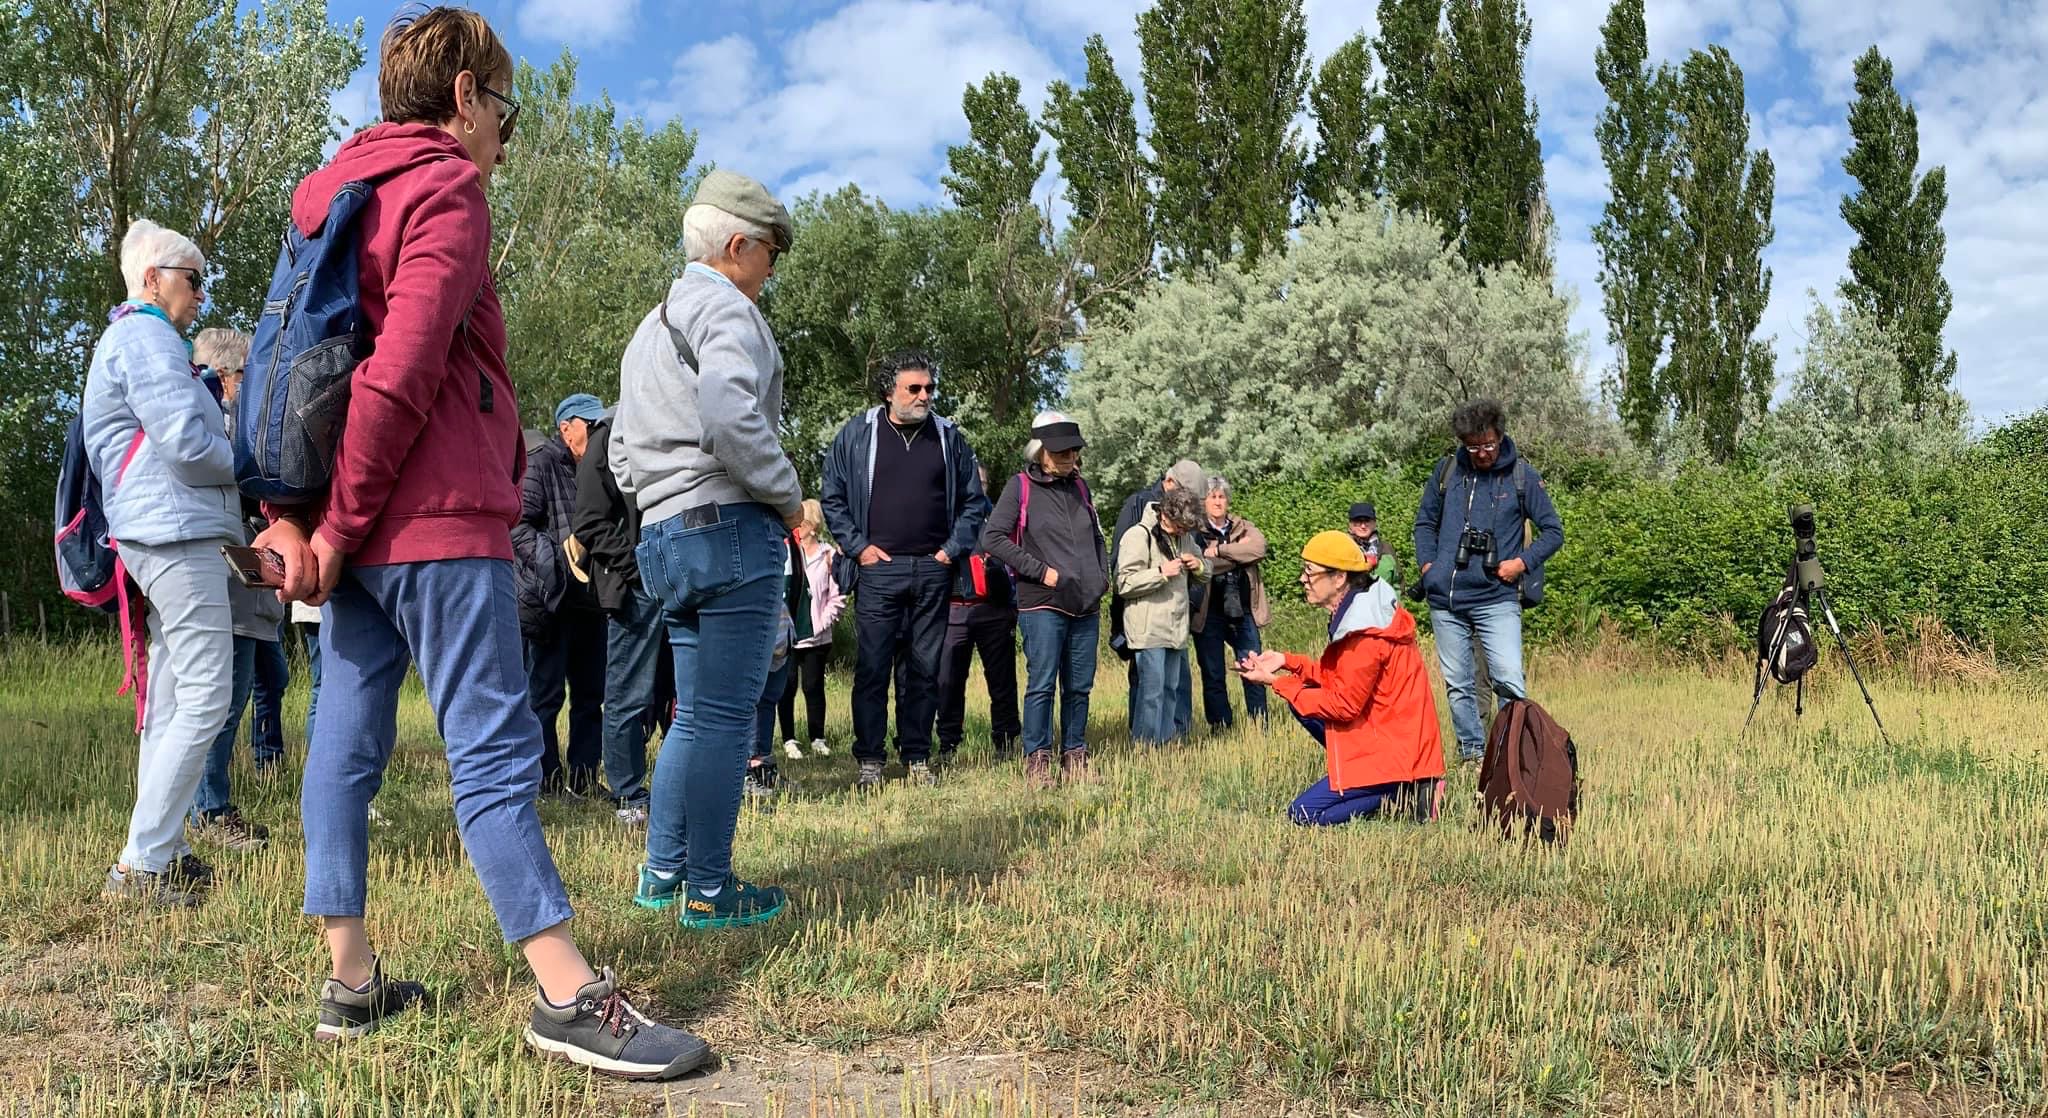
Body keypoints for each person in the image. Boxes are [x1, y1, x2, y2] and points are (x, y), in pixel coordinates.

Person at [253, 8, 711, 1076]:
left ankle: (351, 976)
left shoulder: (333, 194)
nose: (507, 133)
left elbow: (299, 369)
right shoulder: (443, 186)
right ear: (464, 96)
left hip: (355, 531)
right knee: (497, 752)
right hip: (433, 520)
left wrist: (317, 524)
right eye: (504, 107)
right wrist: (355, 518)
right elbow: (400, 374)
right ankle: (565, 992)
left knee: (344, 738)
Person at [612, 168, 801, 931]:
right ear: (735, 246)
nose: (772, 269)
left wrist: (663, 493)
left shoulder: (650, 325)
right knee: (725, 719)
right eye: (770, 252)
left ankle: (662, 874)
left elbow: (620, 453)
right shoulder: (726, 309)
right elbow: (730, 416)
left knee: (692, 716)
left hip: (662, 535)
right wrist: (786, 494)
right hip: (728, 529)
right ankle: (711, 891)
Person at [85, 219, 239, 907]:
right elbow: (186, 442)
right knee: (208, 692)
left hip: (159, 530)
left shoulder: (134, 338)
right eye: (192, 279)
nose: (201, 295)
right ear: (152, 280)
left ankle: (163, 848)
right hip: (175, 532)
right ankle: (144, 862)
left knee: (176, 697)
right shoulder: (147, 336)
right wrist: (251, 465)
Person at [821, 351, 987, 790]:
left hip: (934, 570)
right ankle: (870, 760)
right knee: (873, 667)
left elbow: (974, 503)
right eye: (914, 388)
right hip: (879, 571)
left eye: (929, 388)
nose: (924, 396)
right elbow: (832, 497)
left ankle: (917, 756)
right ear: (888, 391)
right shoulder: (858, 435)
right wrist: (859, 548)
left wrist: (951, 551)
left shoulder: (949, 438)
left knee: (924, 669)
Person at [1239, 532, 1445, 825]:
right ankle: (1392, 784)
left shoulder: (1364, 634)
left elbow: (1343, 706)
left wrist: (1276, 683)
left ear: (1338, 579)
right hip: (1390, 736)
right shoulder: (1361, 610)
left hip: (1394, 749)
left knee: (1303, 814)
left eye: (1310, 572)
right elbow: (1339, 678)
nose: (1302, 580)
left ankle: (1401, 790)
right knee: (1301, 699)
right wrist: (1287, 663)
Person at [1412, 398, 1564, 764]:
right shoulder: (1448, 470)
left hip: (1497, 598)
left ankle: (1512, 756)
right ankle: (1473, 757)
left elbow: (1554, 532)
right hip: (1446, 600)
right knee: (1458, 685)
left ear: (1500, 435)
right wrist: (1428, 566)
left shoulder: (1522, 476)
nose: (1482, 453)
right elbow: (1424, 523)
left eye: (1488, 445)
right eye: (1473, 446)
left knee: (1509, 680)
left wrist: (1520, 564)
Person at [979, 413, 1110, 787]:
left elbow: (1097, 538)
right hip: (1042, 601)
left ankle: (1076, 756)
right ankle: (1037, 759)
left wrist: (1101, 577)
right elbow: (995, 539)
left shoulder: (1081, 488)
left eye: (1073, 449)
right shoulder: (1019, 487)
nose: (1068, 456)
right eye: (1060, 450)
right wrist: (1041, 571)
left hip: (1085, 602)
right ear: (1039, 452)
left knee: (1080, 684)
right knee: (1042, 684)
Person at [573, 405, 662, 826]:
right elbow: (588, 521)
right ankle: (629, 793)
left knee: (685, 695)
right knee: (629, 695)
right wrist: (638, 568)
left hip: (681, 577)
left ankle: (686, 786)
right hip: (636, 588)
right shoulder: (608, 434)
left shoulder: (680, 419)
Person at [517, 393, 608, 796]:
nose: (596, 431)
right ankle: (548, 780)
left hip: (591, 600)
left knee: (591, 697)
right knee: (545, 697)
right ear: (565, 427)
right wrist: (554, 563)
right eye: (589, 423)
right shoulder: (540, 463)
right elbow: (517, 525)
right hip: (551, 602)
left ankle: (584, 781)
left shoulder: (603, 467)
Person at [1112, 459, 1205, 736]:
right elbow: (1123, 581)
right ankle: (1145, 747)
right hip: (1148, 627)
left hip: (1176, 627)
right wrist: (1161, 572)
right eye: (1180, 527)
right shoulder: (1138, 533)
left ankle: (1166, 744)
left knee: (1170, 690)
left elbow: (1204, 570)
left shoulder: (1184, 537)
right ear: (1166, 515)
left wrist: (1199, 567)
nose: (1184, 533)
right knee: (1150, 693)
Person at [935, 463, 1020, 766]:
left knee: (1002, 681)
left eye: (981, 482)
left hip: (994, 609)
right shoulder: (943, 517)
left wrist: (1013, 603)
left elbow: (1017, 558)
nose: (976, 487)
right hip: (954, 608)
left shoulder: (999, 517)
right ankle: (947, 744)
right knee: (948, 681)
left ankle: (1007, 741)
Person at [1189, 475, 1269, 731]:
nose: (1217, 501)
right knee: (1213, 674)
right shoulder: (1195, 530)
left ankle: (1259, 725)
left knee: (1253, 668)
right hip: (1209, 613)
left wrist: (1221, 551)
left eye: (1221, 496)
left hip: (1244, 612)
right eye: (1212, 496)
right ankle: (1221, 726)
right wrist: (1238, 553)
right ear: (1204, 501)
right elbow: (1201, 562)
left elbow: (1258, 549)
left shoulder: (1244, 526)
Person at [778, 499, 842, 759]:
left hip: (817, 636)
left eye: (801, 522)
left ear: (813, 526)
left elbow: (837, 598)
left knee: (813, 687)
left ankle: (818, 738)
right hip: (789, 635)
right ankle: (789, 739)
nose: (797, 527)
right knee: (787, 686)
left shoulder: (828, 555)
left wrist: (817, 625)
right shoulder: (787, 552)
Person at [1346, 501, 1399, 590]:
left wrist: (1396, 600)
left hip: (1384, 603)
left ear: (1374, 523)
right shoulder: (1343, 547)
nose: (1363, 526)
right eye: (1358, 521)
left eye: (1367, 520)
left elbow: (1398, 582)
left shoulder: (1387, 548)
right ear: (1350, 524)